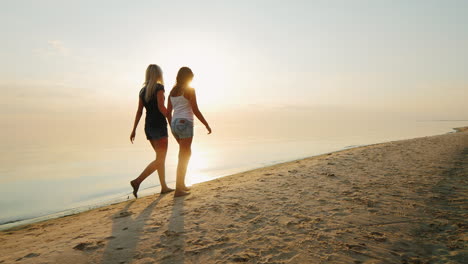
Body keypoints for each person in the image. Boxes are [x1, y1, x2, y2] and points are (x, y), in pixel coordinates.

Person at [129, 64, 174, 198]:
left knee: (159, 158)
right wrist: (172, 121)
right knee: (160, 159)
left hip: (148, 126)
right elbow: (161, 107)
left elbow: (139, 111)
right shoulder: (159, 88)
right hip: (159, 126)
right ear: (158, 74)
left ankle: (164, 187)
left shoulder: (142, 91)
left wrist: (134, 129)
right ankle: (137, 181)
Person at [167, 67, 212, 197]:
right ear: (188, 77)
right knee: (183, 156)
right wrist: (206, 124)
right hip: (185, 123)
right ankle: (178, 189)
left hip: (175, 124)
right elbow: (195, 110)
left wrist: (172, 126)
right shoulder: (190, 90)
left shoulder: (172, 92)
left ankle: (181, 185)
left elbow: (168, 112)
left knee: (185, 154)